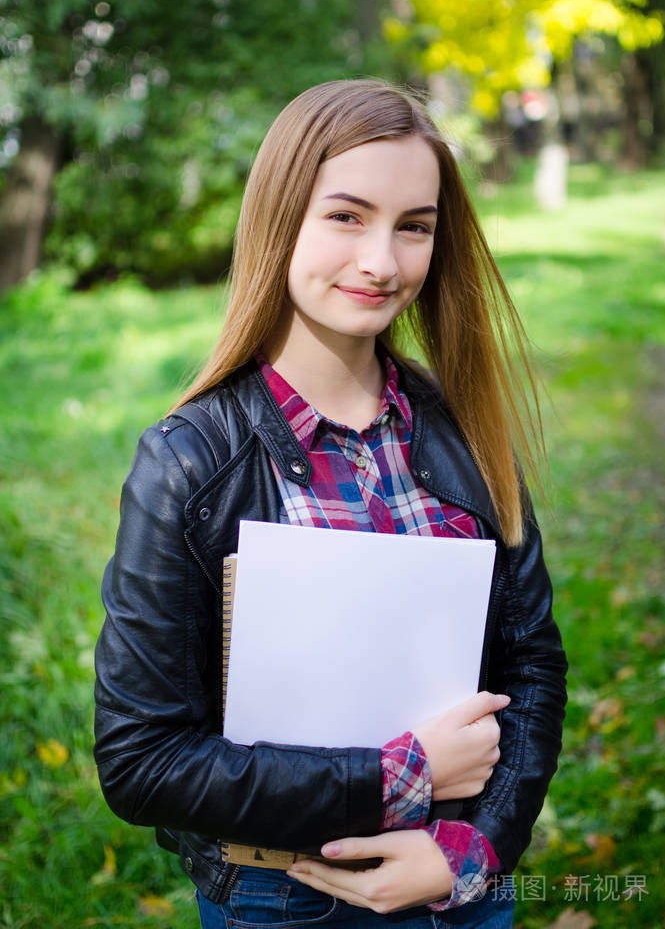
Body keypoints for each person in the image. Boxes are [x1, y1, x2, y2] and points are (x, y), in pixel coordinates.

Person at [94, 78, 567, 929]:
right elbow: (143, 761)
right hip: (286, 898)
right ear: (281, 218)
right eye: (346, 216)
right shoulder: (188, 464)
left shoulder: (465, 430)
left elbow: (532, 666)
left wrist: (480, 845)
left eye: (414, 227)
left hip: (458, 885)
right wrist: (401, 772)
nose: (382, 261)